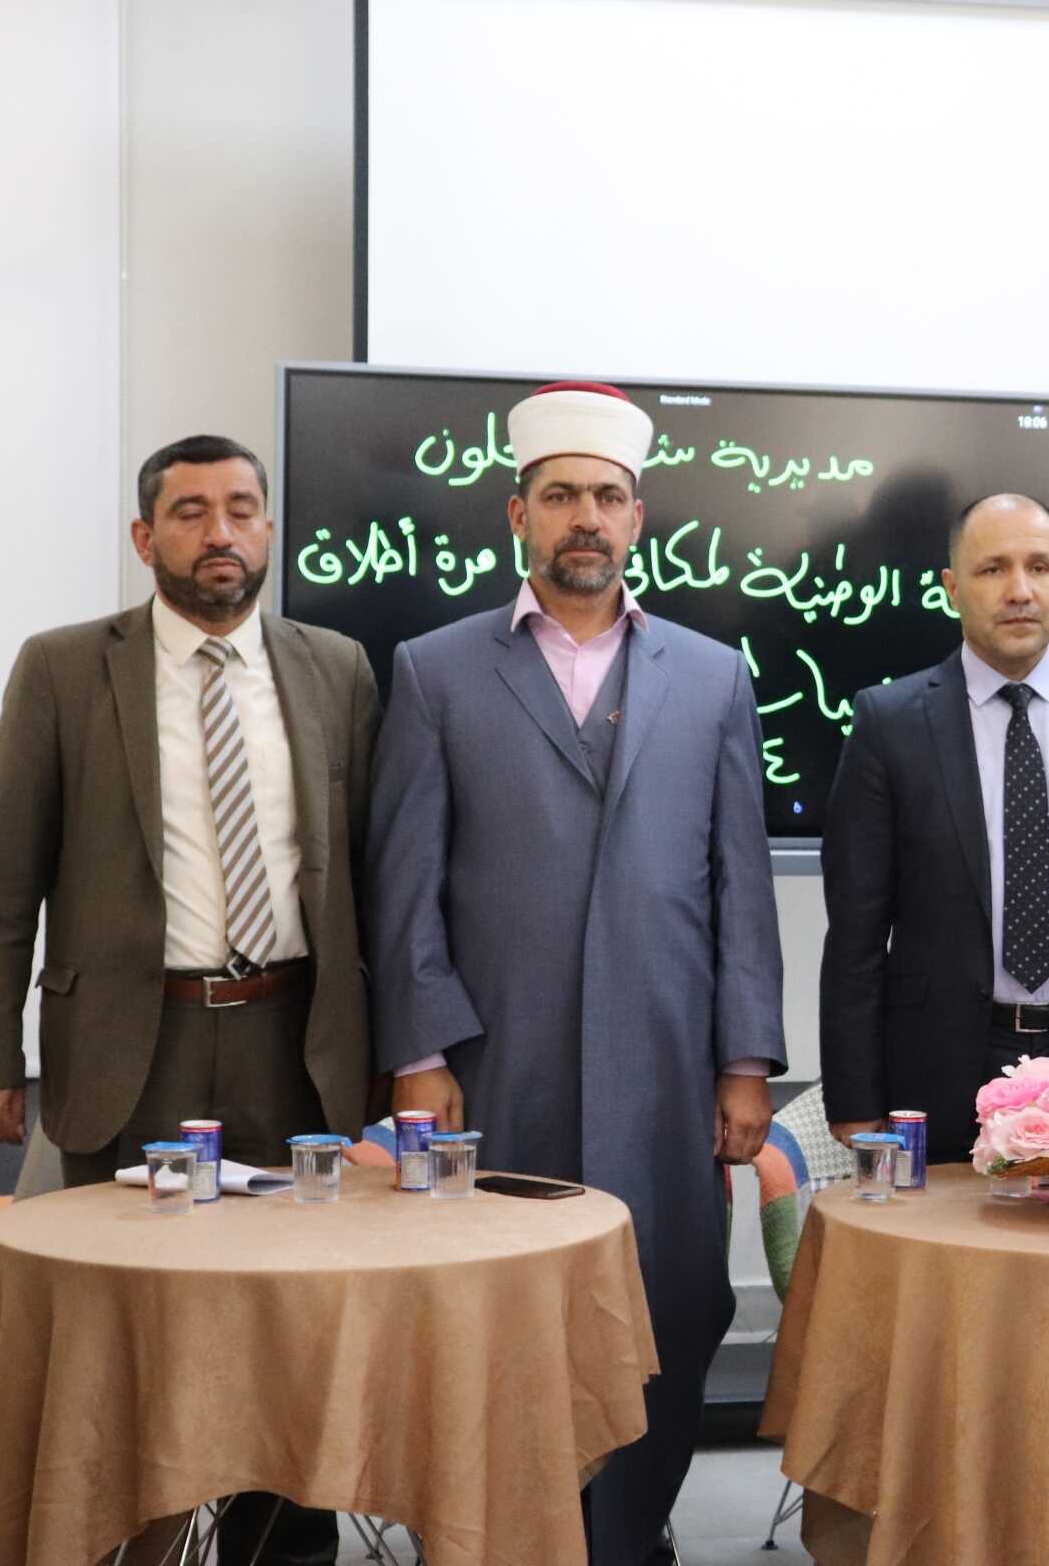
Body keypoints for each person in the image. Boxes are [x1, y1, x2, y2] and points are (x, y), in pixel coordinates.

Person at [367, 381, 785, 1566]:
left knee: (673, 1304)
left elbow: (741, 884)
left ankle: (631, 1536)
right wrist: (419, 1053)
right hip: (501, 1063)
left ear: (638, 518)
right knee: (500, 1313)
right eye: (560, 496)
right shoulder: (436, 670)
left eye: (606, 496)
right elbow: (406, 881)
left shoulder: (712, 674)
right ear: (520, 515)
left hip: (667, 1063)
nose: (585, 517)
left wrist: (746, 1059)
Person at [0, 432, 377, 1566]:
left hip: (295, 1044)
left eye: (241, 508)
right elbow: (3, 880)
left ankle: (284, 1550)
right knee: (129, 1333)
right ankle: (128, 1543)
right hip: (132, 1047)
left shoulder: (337, 668)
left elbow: (370, 875)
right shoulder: (63, 668)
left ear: (270, 528)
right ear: (145, 538)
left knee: (292, 1327)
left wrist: (392, 1053)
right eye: (190, 512)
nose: (219, 532)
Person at [819, 493, 1049, 1159]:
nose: (1019, 591)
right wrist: (855, 1098)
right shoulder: (889, 724)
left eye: (1039, 567)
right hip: (940, 1063)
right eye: (992, 569)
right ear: (952, 588)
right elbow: (855, 937)